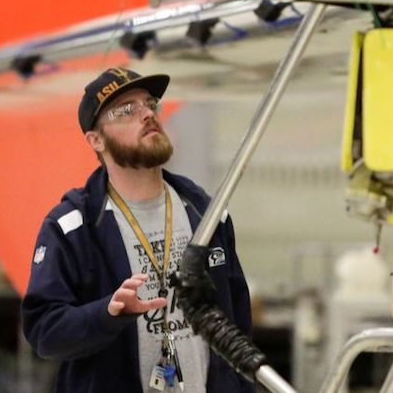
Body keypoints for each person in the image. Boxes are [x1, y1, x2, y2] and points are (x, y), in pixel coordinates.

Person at [23, 68, 254, 393]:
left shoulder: (207, 213)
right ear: (96, 140)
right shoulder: (72, 227)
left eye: (149, 104)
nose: (147, 114)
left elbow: (238, 325)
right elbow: (45, 333)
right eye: (126, 110)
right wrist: (107, 312)